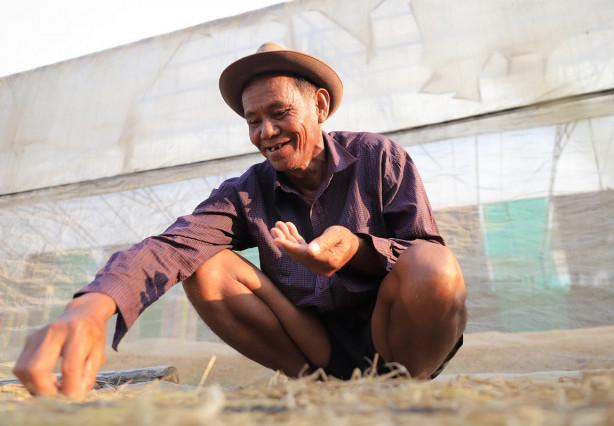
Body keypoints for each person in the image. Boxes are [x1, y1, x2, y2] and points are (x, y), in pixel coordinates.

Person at [13, 43, 467, 397]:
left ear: (321, 107)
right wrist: (90, 308)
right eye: (253, 121)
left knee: (434, 266)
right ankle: (320, 391)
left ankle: (402, 395)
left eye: (280, 113)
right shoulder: (247, 191)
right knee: (204, 266)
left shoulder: (377, 157)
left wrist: (358, 248)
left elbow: (422, 253)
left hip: (392, 339)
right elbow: (172, 247)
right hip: (315, 346)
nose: (265, 133)